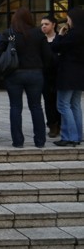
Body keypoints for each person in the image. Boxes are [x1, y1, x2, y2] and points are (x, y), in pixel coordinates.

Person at [0, 7, 50, 148]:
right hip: (35, 73)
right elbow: (48, 56)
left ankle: (18, 141)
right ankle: (40, 141)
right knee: (36, 106)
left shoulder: (9, 33)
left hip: (14, 73)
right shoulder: (38, 33)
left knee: (15, 107)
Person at [51, 8, 84, 147]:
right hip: (80, 75)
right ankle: (78, 136)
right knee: (75, 105)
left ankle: (69, 136)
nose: (67, 20)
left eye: (69, 18)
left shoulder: (73, 34)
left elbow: (56, 47)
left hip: (68, 74)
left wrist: (59, 35)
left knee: (63, 105)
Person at [40, 15, 61, 138]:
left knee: (60, 100)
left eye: (46, 24)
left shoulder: (60, 38)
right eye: (42, 24)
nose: (43, 26)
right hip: (45, 75)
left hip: (59, 74)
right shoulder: (41, 40)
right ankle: (52, 125)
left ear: (53, 25)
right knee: (48, 101)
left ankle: (60, 124)